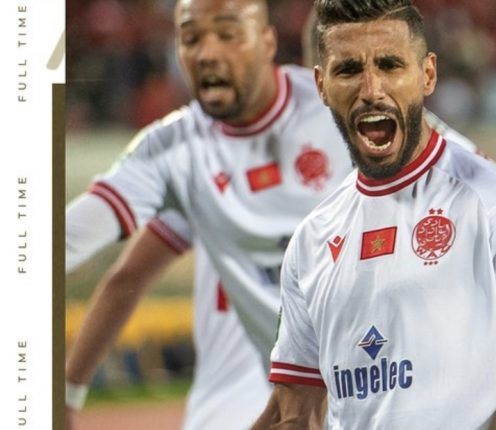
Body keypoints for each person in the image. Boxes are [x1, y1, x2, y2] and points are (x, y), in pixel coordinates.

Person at [253, 0, 496, 428]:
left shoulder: (490, 202)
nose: (371, 89)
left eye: (390, 65)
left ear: (428, 74)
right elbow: (293, 409)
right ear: (321, 85)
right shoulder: (312, 237)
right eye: (348, 70)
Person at [64, 0, 357, 427]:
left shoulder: (339, 107)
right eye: (190, 38)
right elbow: (80, 244)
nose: (207, 53)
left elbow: (449, 173)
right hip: (274, 395)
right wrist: (67, 392)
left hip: (383, 381)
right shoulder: (177, 156)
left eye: (227, 33)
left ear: (268, 41)